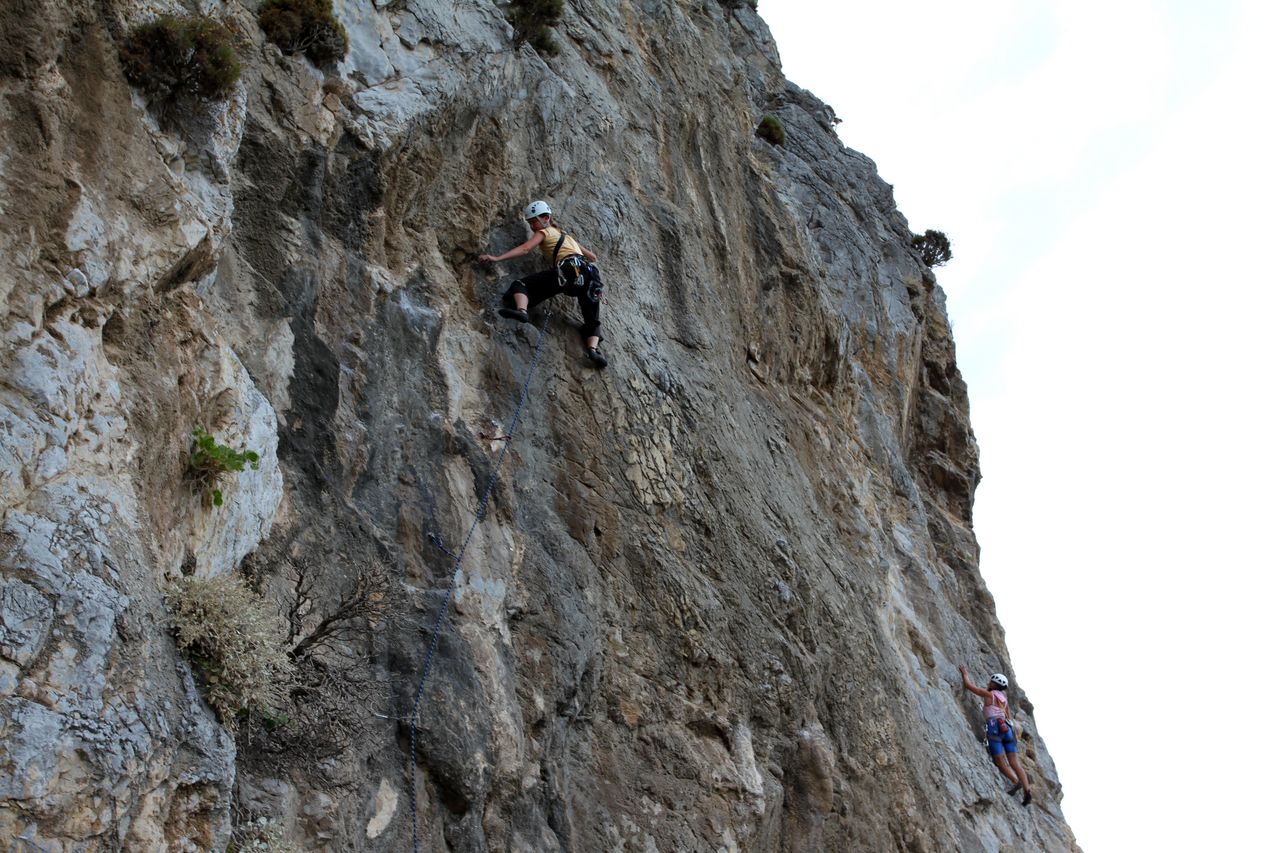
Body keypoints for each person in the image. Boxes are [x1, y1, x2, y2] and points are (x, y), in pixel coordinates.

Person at [479, 200, 607, 368]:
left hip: (568, 271)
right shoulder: (568, 237)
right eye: (530, 222)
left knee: (520, 286)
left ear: (546, 218)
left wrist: (497, 258)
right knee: (592, 320)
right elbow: (593, 257)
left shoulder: (545, 232)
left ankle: (522, 311)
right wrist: (572, 248)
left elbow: (525, 249)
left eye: (534, 221)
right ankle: (592, 350)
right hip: (590, 276)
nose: (532, 226)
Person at [959, 665, 1033, 806]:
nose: (988, 683)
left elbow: (969, 686)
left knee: (999, 761)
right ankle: (1027, 790)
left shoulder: (989, 695)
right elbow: (1009, 717)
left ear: (994, 684)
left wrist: (965, 674)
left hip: (995, 729)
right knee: (1015, 763)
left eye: (990, 682)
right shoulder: (1003, 700)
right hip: (1008, 730)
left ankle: (1015, 781)